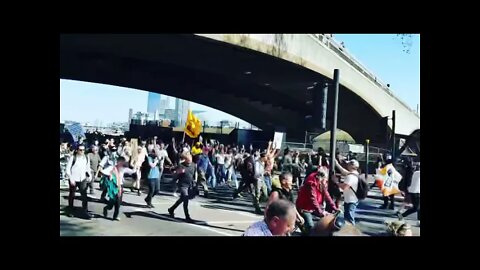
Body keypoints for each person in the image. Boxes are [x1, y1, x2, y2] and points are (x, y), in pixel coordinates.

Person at [296, 167, 338, 235]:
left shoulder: (322, 183)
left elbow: (327, 195)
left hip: (312, 208)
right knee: (310, 226)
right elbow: (313, 199)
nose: (326, 180)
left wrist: (334, 207)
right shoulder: (311, 183)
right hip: (304, 208)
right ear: (320, 177)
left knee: (326, 221)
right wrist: (321, 212)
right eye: (325, 178)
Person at [168, 152, 197, 222]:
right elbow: (173, 172)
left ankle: (171, 209)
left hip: (190, 185)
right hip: (182, 185)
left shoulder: (193, 165)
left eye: (190, 159)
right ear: (185, 159)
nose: (190, 160)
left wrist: (195, 179)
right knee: (185, 199)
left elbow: (195, 172)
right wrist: (178, 172)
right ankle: (187, 217)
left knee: (182, 199)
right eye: (188, 159)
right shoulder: (181, 166)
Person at [65, 145, 92, 219]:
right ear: (77, 150)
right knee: (72, 195)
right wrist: (71, 179)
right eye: (80, 150)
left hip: (82, 178)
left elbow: (87, 168)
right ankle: (70, 210)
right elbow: (67, 169)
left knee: (84, 195)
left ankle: (85, 211)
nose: (82, 151)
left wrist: (89, 175)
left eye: (83, 150)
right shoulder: (73, 158)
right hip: (73, 178)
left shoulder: (86, 158)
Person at [334, 159, 360, 225]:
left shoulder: (351, 177)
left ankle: (352, 233)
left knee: (349, 218)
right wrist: (336, 164)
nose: (347, 165)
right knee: (348, 218)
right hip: (352, 199)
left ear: (351, 166)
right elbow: (344, 171)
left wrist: (336, 182)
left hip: (350, 200)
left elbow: (345, 187)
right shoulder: (355, 174)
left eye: (348, 164)